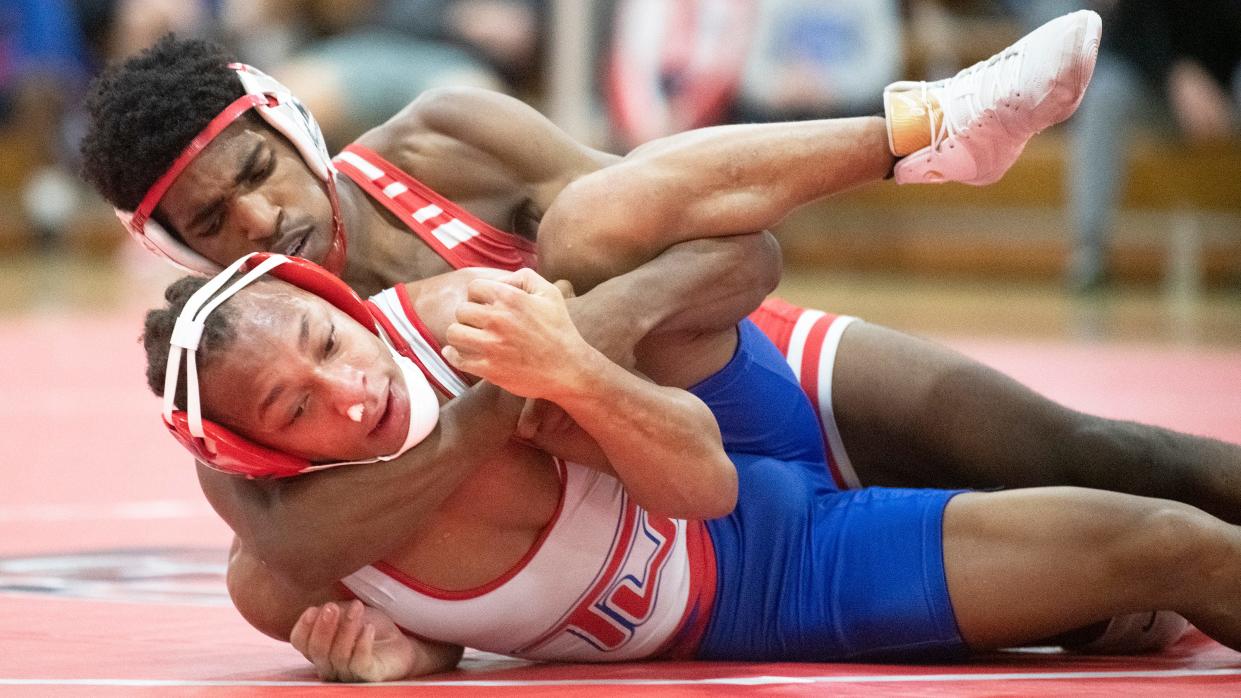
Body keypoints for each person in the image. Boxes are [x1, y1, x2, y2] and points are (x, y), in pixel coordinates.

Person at [79, 10, 1241, 584]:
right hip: (694, 552)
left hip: (751, 380)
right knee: (1108, 559)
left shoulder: (445, 141)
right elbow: (272, 570)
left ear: (287, 122)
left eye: (252, 175)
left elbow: (745, 260)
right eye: (209, 227)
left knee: (1105, 450)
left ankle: (927, 127)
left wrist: (574, 339)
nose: (256, 222)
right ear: (177, 253)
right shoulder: (246, 377)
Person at [143, 250, 1241, 682]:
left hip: (732, 412)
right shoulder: (291, 569)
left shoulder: (445, 318)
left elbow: (706, 458)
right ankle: (1097, 602)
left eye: (332, 342)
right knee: (1165, 547)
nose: (351, 388)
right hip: (783, 574)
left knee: (1120, 458)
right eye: (298, 405)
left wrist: (576, 371)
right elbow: (426, 621)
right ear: (257, 451)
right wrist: (414, 651)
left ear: (344, 306)